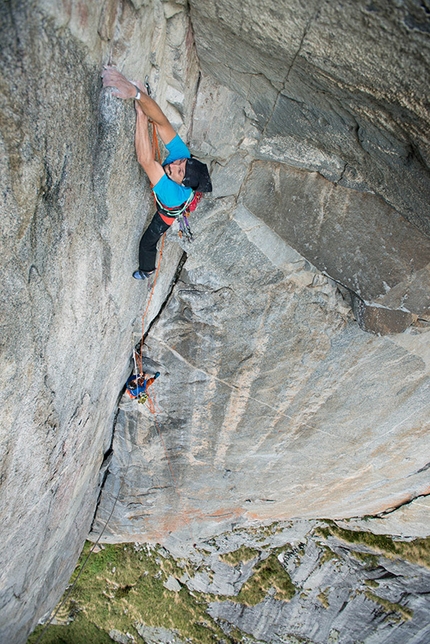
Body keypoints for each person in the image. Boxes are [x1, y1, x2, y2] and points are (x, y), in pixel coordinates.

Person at [101, 66, 212, 280]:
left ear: (182, 183)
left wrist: (141, 116)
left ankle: (147, 270)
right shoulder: (183, 157)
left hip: (168, 212)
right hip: (177, 195)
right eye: (181, 163)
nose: (175, 165)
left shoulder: (173, 194)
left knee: (148, 241)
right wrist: (138, 95)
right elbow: (161, 122)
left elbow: (145, 160)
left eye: (178, 172)